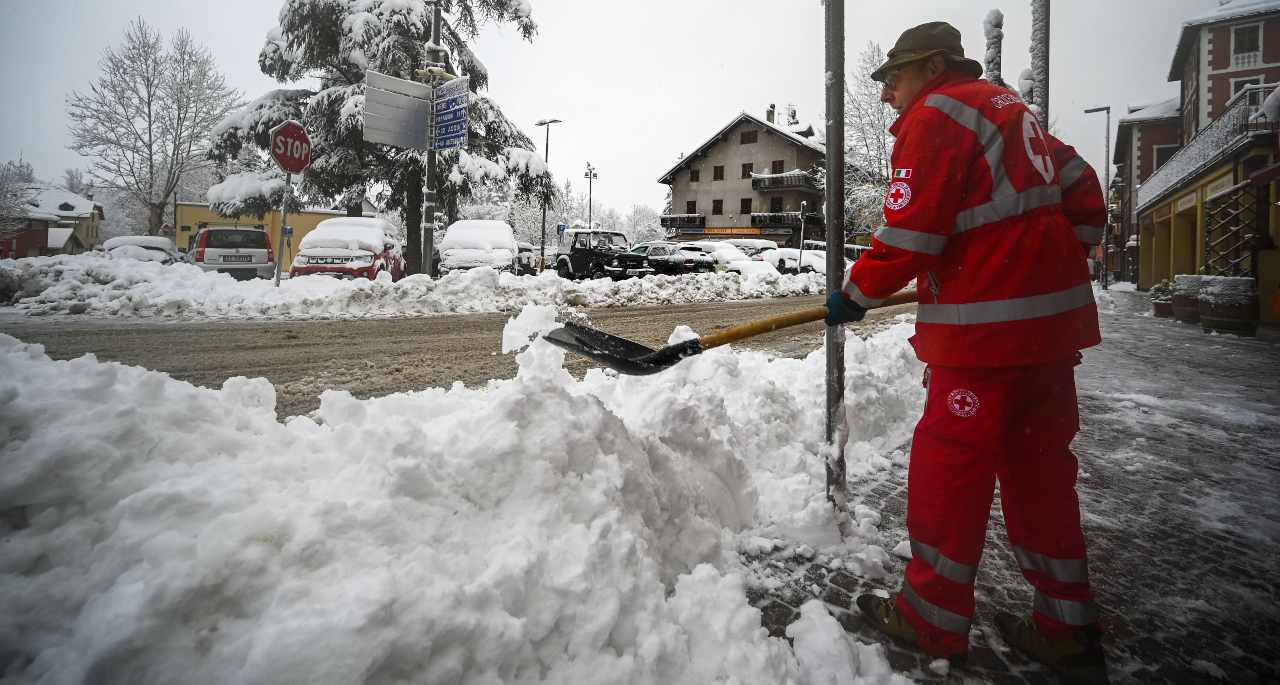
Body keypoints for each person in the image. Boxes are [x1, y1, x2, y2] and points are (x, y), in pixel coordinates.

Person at [823, 21, 1109, 683]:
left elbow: (911, 230)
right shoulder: (1013, 112)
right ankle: (1067, 624)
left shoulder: (937, 116)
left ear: (931, 67)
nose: (889, 93)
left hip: (985, 334)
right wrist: (1059, 256)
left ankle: (931, 618)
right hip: (1048, 331)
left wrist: (856, 292)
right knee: (1040, 469)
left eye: (894, 77)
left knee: (950, 470)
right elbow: (1083, 191)